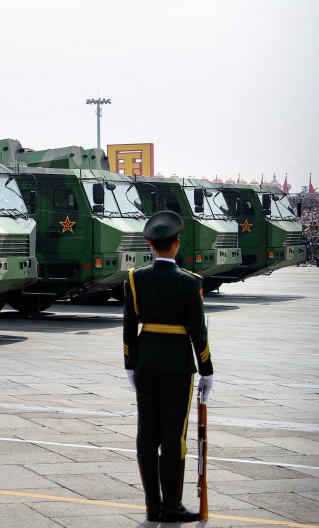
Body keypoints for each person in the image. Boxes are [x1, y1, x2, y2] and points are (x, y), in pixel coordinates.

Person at [123, 210, 214, 523]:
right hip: (177, 364)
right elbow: (198, 331)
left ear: (151, 245)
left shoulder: (135, 278)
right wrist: (206, 370)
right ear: (176, 244)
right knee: (174, 436)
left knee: (147, 433)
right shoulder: (190, 282)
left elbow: (129, 325)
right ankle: (171, 505)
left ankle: (152, 505)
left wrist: (130, 364)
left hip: (145, 361)